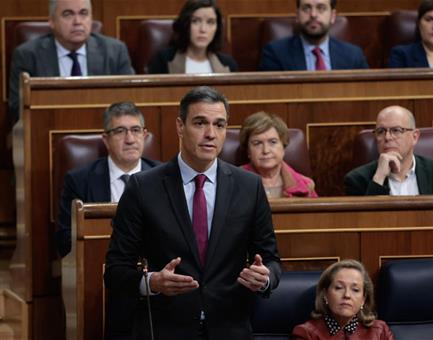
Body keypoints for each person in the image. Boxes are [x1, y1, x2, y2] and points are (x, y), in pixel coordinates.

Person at [104, 86, 281, 339]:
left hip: (229, 329)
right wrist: (152, 283)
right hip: (166, 329)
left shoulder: (249, 186)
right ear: (180, 126)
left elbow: (272, 260)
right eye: (200, 123)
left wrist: (264, 278)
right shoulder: (143, 188)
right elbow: (115, 270)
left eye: (219, 125)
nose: (210, 134)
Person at [55, 101, 159, 338]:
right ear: (105, 139)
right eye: (120, 131)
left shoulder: (164, 177)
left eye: (135, 130)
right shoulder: (79, 180)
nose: (129, 139)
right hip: (99, 284)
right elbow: (64, 240)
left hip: (154, 282)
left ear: (145, 135)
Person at [8, 0, 134, 125]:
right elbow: (17, 109)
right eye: (68, 14)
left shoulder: (115, 52)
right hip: (49, 130)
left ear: (91, 18)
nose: (78, 22)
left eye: (83, 13)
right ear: (51, 21)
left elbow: (130, 101)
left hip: (102, 130)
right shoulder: (27, 55)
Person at [344, 106, 433, 195]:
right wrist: (379, 178)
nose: (387, 137)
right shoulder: (357, 179)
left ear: (414, 137)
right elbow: (365, 223)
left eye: (396, 130)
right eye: (381, 131)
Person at [292, 259, 394, 340]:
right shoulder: (307, 334)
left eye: (355, 289)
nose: (347, 295)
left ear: (363, 299)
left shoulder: (380, 331)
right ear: (325, 295)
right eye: (339, 288)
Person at [259, 0, 368, 71]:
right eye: (307, 8)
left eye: (321, 8)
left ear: (333, 16)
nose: (313, 15)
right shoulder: (275, 54)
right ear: (297, 15)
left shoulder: (353, 56)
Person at [239, 111, 318, 198]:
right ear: (248, 151)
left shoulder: (306, 186)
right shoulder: (232, 183)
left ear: (283, 147)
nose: (266, 150)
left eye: (273, 142)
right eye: (257, 143)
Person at [148, 0, 238, 74]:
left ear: (217, 28)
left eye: (210, 22)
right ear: (185, 24)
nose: (203, 29)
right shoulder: (163, 60)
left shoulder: (228, 64)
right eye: (196, 21)